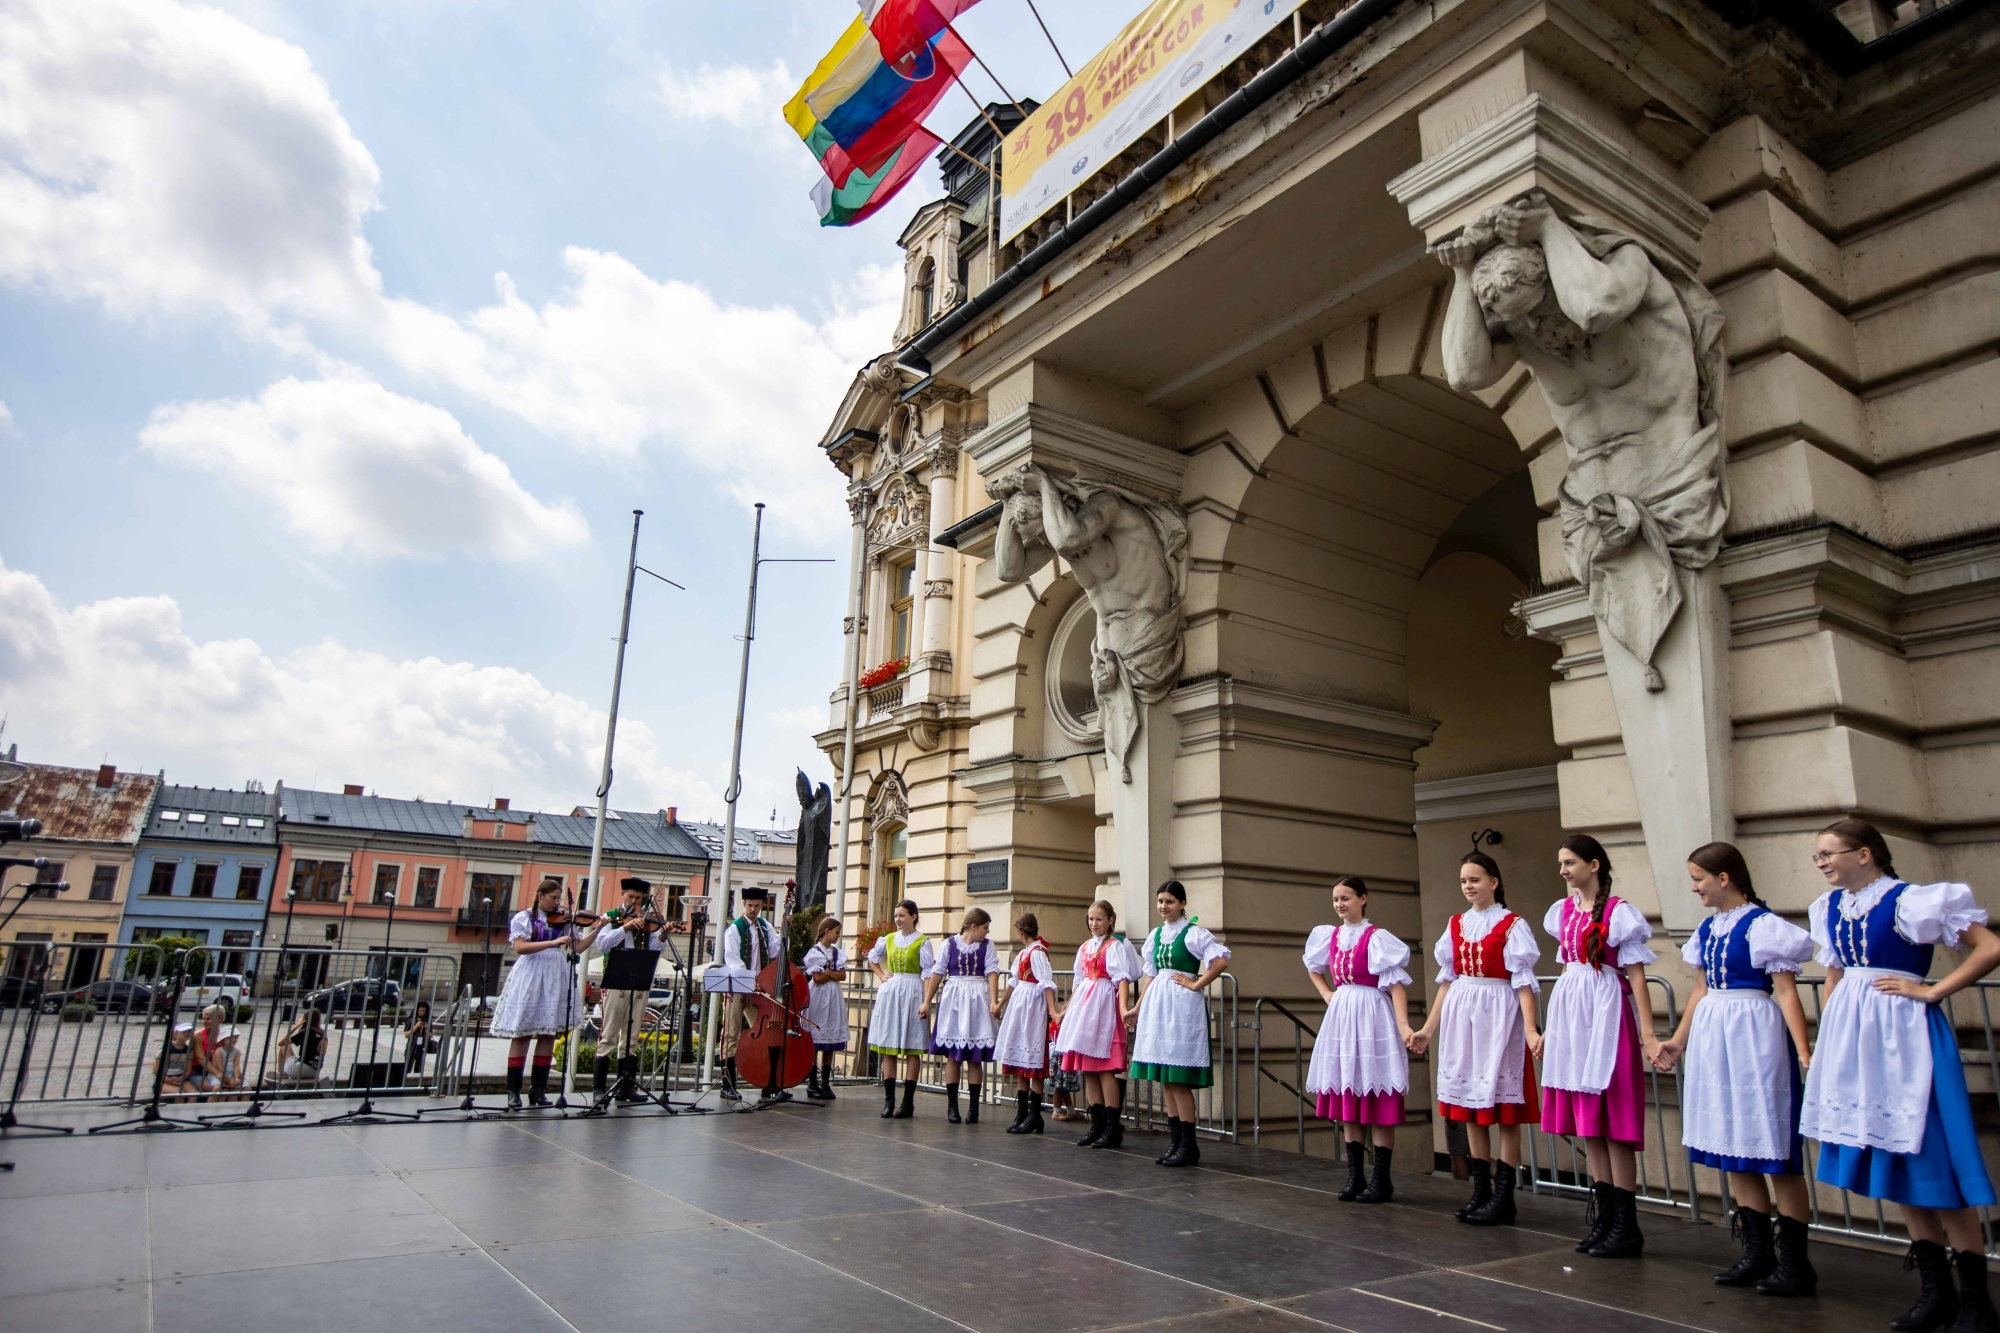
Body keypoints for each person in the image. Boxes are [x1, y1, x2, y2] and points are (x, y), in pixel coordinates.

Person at [1798, 819, 2000, 1332]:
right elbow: (1835, 977)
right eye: (1818, 855)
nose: (1821, 863)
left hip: (1905, 1038)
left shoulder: (1913, 901)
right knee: (1895, 1157)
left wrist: (1933, 991)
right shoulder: (1830, 908)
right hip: (1856, 1042)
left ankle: (1976, 1301)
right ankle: (1937, 1293)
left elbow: (1990, 946)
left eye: (1829, 853)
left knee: (1935, 1160)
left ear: (1865, 854)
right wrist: (1829, 1042)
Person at [1653, 842, 1816, 1296]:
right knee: (1735, 1144)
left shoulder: (1763, 926)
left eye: (1698, 879)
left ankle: (1795, 1263)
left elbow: (1786, 992)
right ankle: (1757, 1253)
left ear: (1723, 878)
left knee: (1774, 1149)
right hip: (1715, 1036)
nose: (1694, 888)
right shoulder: (1708, 929)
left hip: (1753, 1034)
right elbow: (1700, 989)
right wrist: (1678, 1040)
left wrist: (1803, 1049)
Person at [1541, 834, 1660, 1259]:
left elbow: (1637, 977)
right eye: (1561, 863)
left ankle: (1626, 1224)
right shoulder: (1563, 911)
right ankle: (1606, 1217)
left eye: (1570, 862)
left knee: (1613, 1121)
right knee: (1589, 1122)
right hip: (1574, 1016)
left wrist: (1648, 1034)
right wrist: (1553, 1029)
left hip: (1606, 1014)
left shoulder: (1618, 912)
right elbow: (1568, 968)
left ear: (1594, 865)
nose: (1563, 870)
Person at [1413, 852, 1543, 1227]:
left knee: (1504, 1108)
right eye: (1463, 881)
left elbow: (1523, 981)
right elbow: (1447, 981)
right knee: (1470, 1105)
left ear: (1494, 882)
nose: (1468, 886)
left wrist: (1531, 1029)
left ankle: (1504, 1196)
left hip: (1499, 1015)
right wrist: (1428, 1028)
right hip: (1463, 1017)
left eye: (1475, 879)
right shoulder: (1456, 924)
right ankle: (1481, 1190)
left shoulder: (1512, 924)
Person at [1302, 876, 1415, 1202]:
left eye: (1346, 898)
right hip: (1342, 1016)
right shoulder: (1330, 936)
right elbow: (1313, 966)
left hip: (1372, 1017)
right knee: (1348, 1092)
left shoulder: (1376, 938)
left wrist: (1403, 1026)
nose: (1339, 904)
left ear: (1363, 899)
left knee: (1377, 1093)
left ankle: (1381, 1179)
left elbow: (1396, 986)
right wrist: (1327, 993)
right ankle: (1355, 1176)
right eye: (1336, 899)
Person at [1129, 881, 1231, 1167]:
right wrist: (1138, 1007)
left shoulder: (1193, 933)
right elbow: (1150, 974)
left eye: (1170, 901)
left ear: (1182, 904)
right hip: (1159, 1005)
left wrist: (1196, 983)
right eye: (1161, 901)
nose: (1164, 906)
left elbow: (1221, 961)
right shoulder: (1156, 934)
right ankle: (1176, 1142)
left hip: (1182, 1007)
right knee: (1166, 1078)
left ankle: (1188, 1145)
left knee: (1178, 1077)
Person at [492, 877, 601, 1111]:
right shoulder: (525, 917)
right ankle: (513, 1091)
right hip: (531, 972)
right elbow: (520, 947)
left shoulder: (564, 920)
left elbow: (579, 947)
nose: (557, 903)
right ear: (540, 896)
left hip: (555, 974)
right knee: (522, 1033)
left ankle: (538, 1090)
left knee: (548, 1033)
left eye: (559, 899)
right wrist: (552, 943)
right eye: (553, 898)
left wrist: (598, 928)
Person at [1051, 899, 1141, 1150]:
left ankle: (1112, 1127)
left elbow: (1121, 978)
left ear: (1111, 920)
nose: (1094, 923)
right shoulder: (1085, 947)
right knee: (1088, 1069)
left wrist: (1122, 1008)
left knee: (1104, 1069)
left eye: (1099, 919)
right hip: (1085, 1008)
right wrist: (1068, 1009)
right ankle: (1097, 1125)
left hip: (1104, 1007)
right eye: (1091, 919)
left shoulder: (1114, 946)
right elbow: (1079, 981)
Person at [593, 877, 666, 1105]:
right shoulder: (610, 917)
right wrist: (625, 928)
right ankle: (598, 1089)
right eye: (631, 897)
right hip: (615, 981)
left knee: (632, 1037)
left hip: (639, 981)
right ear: (623, 894)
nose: (634, 902)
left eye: (639, 898)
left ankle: (626, 1086)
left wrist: (663, 935)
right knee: (609, 1034)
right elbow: (602, 944)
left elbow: (654, 949)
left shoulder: (646, 920)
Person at [926, 907, 1002, 1124]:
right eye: (985, 927)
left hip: (977, 999)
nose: (987, 932)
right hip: (955, 1000)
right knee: (953, 1056)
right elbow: (937, 972)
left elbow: (992, 972)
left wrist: (994, 1000)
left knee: (975, 1057)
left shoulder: (987, 946)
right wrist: (926, 1001)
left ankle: (973, 1107)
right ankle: (952, 1106)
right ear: (973, 926)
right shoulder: (949, 944)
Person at [714, 886, 784, 1101]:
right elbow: (733, 958)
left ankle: (767, 1084)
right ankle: (728, 1084)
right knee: (730, 1032)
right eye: (750, 905)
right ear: (744, 904)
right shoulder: (735, 928)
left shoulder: (765, 926)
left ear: (762, 905)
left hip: (758, 988)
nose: (753, 909)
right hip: (738, 986)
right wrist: (748, 979)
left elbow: (775, 951)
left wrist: (785, 931)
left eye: (757, 906)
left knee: (764, 1035)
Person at [866, 899, 934, 1119]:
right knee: (889, 1046)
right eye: (896, 916)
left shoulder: (922, 941)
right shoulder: (889, 939)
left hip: (913, 991)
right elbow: (872, 958)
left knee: (912, 1046)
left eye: (902, 915)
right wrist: (881, 975)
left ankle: (907, 1102)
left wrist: (926, 1001)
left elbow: (927, 973)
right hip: (892, 992)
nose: (897, 919)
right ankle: (889, 1101)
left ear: (913, 916)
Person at [995, 913, 1057, 1134]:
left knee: (1034, 1060)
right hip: (1021, 1008)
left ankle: (1034, 1114)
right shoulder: (1024, 953)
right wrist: (1001, 1004)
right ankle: (1022, 1112)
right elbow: (1014, 981)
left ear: (1020, 932)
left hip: (1033, 1008)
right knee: (1022, 1060)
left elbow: (1046, 983)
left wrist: (1052, 1010)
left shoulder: (1037, 952)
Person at [801, 915, 849, 1101]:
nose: (838, 935)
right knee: (815, 1038)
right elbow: (817, 978)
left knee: (830, 1040)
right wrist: (832, 973)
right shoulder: (815, 953)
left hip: (833, 996)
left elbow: (843, 976)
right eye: (836, 932)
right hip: (818, 997)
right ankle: (812, 1082)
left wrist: (827, 972)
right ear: (827, 931)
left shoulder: (837, 953)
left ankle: (825, 1083)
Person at [278, 1007, 325, 1085]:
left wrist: (296, 1026)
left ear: (304, 1020)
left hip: (300, 1071)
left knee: (284, 1046)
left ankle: (280, 1072)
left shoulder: (306, 1033)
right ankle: (282, 1072)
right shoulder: (322, 1033)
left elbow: (281, 1043)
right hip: (315, 1071)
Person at [157, 1022, 196, 1097]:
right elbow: (156, 1069)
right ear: (176, 1033)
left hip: (180, 1078)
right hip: (164, 1079)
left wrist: (181, 1078)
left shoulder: (189, 1050)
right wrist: (169, 1080)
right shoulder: (167, 1048)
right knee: (179, 1093)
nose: (187, 1033)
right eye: (184, 1031)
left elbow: (188, 1070)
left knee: (194, 1094)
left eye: (189, 1031)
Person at [404, 999, 432, 1079]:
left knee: (419, 1068)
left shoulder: (427, 1021)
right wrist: (416, 1026)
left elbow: (430, 1035)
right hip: (412, 1045)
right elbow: (406, 1035)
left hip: (422, 1046)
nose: (422, 1012)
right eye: (420, 1011)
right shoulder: (411, 1021)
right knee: (408, 1065)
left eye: (424, 1011)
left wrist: (426, 1029)